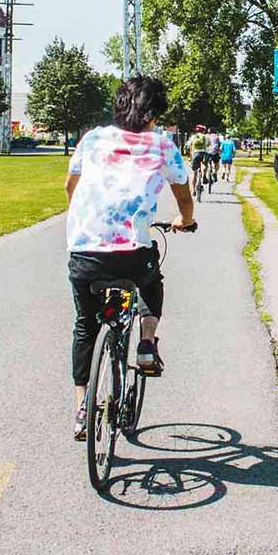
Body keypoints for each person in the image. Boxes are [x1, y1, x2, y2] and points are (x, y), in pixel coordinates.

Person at [65, 76, 196, 441]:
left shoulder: (92, 139)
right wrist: (185, 220)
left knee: (85, 325)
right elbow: (184, 197)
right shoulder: (162, 146)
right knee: (151, 284)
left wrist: (83, 223)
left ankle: (82, 408)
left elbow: (70, 187)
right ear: (153, 113)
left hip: (84, 252)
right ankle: (146, 343)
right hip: (131, 256)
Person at [184, 125, 210, 191]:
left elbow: (187, 146)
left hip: (195, 154)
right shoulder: (206, 137)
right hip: (204, 154)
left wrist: (189, 156)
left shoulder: (193, 137)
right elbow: (209, 144)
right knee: (205, 165)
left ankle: (193, 190)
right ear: (203, 131)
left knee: (194, 173)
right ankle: (204, 176)